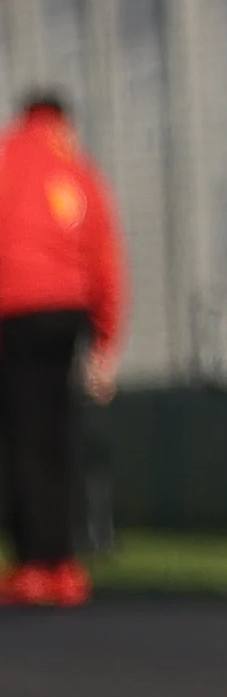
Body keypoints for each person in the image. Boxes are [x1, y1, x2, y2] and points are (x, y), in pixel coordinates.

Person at [0, 93, 122, 607]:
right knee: (57, 434)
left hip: (13, 313)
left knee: (23, 437)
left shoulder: (6, 159)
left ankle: (33, 563)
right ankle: (64, 563)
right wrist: (105, 341)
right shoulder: (77, 168)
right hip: (67, 313)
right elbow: (105, 254)